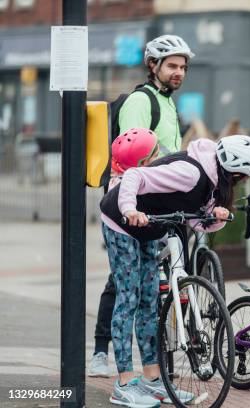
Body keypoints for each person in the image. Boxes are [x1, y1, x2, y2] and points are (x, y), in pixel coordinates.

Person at [99, 135, 250, 407]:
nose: (241, 182)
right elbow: (134, 177)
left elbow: (197, 220)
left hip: (150, 227)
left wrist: (217, 218)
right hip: (121, 222)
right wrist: (129, 209)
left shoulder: (212, 179)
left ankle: (152, 379)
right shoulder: (190, 173)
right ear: (235, 171)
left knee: (149, 302)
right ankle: (124, 383)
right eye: (243, 177)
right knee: (129, 299)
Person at [88, 34, 193, 378]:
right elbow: (134, 155)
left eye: (183, 67)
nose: (179, 72)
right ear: (153, 66)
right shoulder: (141, 100)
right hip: (131, 205)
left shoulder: (168, 102)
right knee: (123, 286)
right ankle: (104, 355)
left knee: (144, 292)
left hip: (157, 206)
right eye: (172, 66)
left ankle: (150, 372)